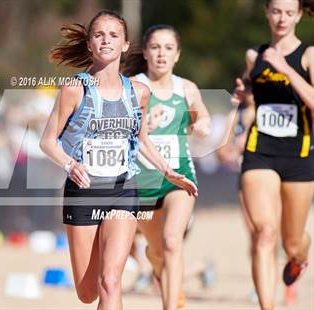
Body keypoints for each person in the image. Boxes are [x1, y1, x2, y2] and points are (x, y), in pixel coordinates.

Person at [40, 10, 197, 309]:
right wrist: (70, 164)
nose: (106, 40)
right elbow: (48, 141)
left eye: (114, 35)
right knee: (88, 293)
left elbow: (141, 140)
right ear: (89, 44)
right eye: (99, 35)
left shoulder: (139, 92)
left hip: (123, 191)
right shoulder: (74, 89)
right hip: (83, 194)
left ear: (125, 44)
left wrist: (169, 171)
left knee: (111, 281)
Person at [231, 1, 314, 309]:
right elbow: (251, 99)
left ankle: (300, 257)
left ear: (298, 15)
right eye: (276, 11)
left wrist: (286, 69)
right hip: (259, 152)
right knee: (265, 232)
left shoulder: (308, 55)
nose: (282, 18)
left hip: (298, 155)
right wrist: (244, 95)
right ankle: (268, 306)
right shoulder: (255, 56)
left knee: (292, 243)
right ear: (267, 12)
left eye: (288, 12)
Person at [123, 24, 210, 309]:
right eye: (156, 47)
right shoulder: (132, 87)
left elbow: (204, 121)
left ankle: (170, 305)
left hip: (178, 177)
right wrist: (143, 125)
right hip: (142, 182)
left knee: (173, 242)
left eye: (168, 48)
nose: (162, 54)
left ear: (177, 55)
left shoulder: (186, 88)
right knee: (158, 250)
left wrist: (199, 126)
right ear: (146, 52)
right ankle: (157, 262)